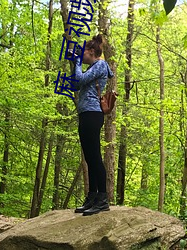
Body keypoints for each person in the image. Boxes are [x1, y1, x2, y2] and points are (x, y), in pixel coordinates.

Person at [73, 34, 114, 216]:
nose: (82, 58)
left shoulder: (100, 65)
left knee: (95, 157)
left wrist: (76, 64)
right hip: (85, 113)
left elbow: (80, 80)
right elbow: (77, 84)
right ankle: (93, 197)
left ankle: (102, 199)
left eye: (83, 55)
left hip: (92, 113)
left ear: (91, 52)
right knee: (90, 158)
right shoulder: (93, 67)